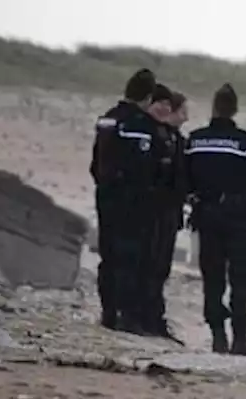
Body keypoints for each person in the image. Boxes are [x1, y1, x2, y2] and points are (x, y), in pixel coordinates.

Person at [184, 83, 246, 355]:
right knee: (241, 278)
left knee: (213, 278)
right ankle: (241, 339)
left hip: (205, 215)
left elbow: (183, 177)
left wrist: (196, 198)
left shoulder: (195, 140)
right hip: (235, 217)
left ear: (213, 107)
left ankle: (218, 337)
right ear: (234, 109)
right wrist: (245, 201)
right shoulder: (244, 141)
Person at [88, 68, 159, 332]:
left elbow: (97, 161)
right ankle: (125, 315)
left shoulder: (107, 118)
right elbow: (141, 166)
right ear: (148, 97)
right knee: (129, 255)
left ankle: (108, 311)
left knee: (108, 255)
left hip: (105, 193)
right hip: (130, 198)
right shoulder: (139, 124)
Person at [140, 85, 189, 344]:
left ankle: (154, 319)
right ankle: (147, 319)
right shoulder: (161, 139)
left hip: (169, 211)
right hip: (156, 211)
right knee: (152, 265)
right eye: (183, 111)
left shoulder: (177, 140)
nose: (185, 117)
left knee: (161, 267)